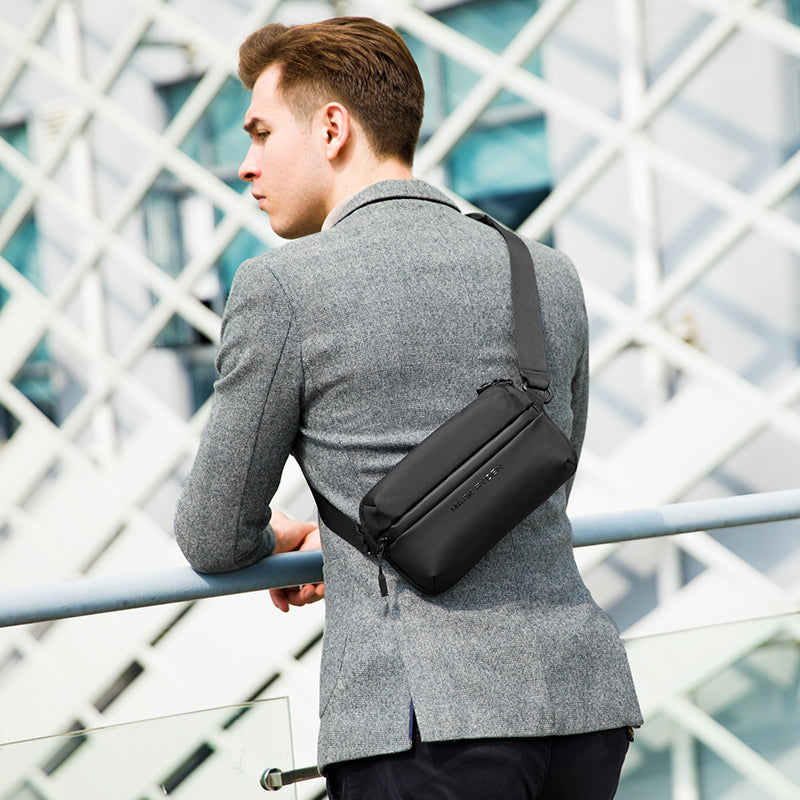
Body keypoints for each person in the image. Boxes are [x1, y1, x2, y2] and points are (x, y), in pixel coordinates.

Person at [174, 15, 642, 800]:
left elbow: (213, 534)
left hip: (424, 725)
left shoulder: (283, 287)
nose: (247, 166)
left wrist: (291, 537)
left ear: (332, 128)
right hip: (582, 702)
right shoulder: (546, 271)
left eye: (259, 132)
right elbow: (544, 475)